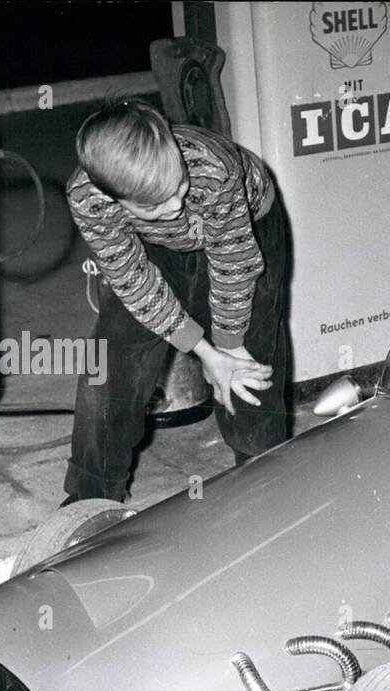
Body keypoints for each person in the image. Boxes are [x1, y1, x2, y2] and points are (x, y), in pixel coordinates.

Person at [62, 99, 289, 503]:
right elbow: (136, 285)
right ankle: (90, 498)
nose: (176, 207)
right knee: (110, 357)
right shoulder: (88, 200)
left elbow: (232, 266)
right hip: (156, 247)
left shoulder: (213, 168)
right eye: (153, 204)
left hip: (245, 229)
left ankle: (264, 479)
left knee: (247, 367)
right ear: (112, 198)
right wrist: (202, 350)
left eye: (179, 187)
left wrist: (227, 351)